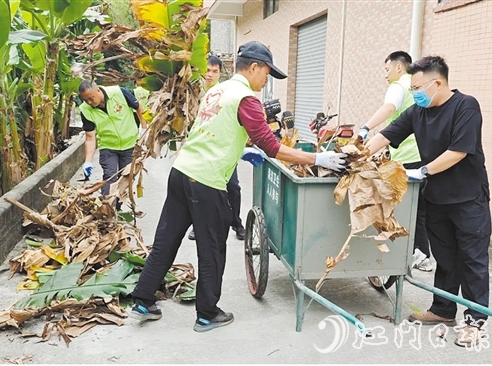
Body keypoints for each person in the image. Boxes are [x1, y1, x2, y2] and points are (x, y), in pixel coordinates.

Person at [129, 41, 348, 332]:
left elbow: (217, 129)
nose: (266, 79)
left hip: (182, 172)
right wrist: (320, 158)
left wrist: (241, 148)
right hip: (207, 181)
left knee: (166, 239)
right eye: (266, 72)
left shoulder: (217, 91)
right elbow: (271, 146)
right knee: (212, 249)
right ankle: (207, 313)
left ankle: (143, 300)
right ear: (254, 67)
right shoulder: (246, 98)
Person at [364, 55, 491, 348]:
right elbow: (386, 135)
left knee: (472, 259)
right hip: (436, 197)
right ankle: (443, 310)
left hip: (468, 199)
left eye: (419, 87)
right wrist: (357, 152)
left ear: (437, 83)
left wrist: (421, 170)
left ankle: (474, 320)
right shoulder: (418, 112)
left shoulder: (465, 106)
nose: (415, 93)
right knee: (445, 259)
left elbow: (459, 151)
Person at [359, 51, 432, 272]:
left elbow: (389, 108)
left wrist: (365, 128)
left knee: (402, 209)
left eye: (387, 69)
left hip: (407, 159)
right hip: (423, 155)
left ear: (399, 67)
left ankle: (414, 253)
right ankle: (423, 255)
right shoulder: (418, 86)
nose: (386, 74)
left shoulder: (399, 85)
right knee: (418, 209)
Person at [188, 55, 246, 241]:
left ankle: (236, 223)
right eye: (208, 70)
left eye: (215, 71)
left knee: (233, 187)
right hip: (200, 149)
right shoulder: (193, 92)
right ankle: (198, 225)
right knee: (198, 189)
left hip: (224, 149)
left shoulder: (226, 91)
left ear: (221, 73)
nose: (210, 75)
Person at [79, 80, 148, 197]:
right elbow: (90, 138)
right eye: (85, 100)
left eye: (91, 98)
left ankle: (118, 206)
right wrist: (88, 161)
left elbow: (139, 108)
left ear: (98, 90)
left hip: (130, 144)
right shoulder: (85, 110)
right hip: (108, 147)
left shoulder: (119, 92)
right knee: (109, 176)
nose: (89, 102)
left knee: (125, 178)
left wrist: (144, 128)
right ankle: (107, 206)